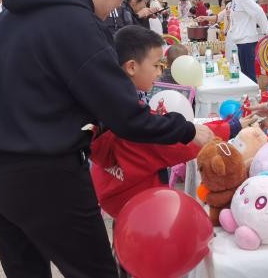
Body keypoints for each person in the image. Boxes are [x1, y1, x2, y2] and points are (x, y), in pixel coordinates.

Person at [0, 0, 214, 278]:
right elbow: (125, 116)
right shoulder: (76, 22)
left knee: (25, 270)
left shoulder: (11, 15)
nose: (117, 6)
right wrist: (187, 131)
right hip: (42, 174)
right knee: (94, 271)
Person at [90, 26, 255, 218]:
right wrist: (231, 127)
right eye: (156, 65)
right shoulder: (137, 124)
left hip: (115, 198)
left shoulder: (108, 105)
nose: (160, 72)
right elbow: (177, 143)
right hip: (145, 208)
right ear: (132, 67)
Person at [224, 0, 268, 82]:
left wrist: (266, 32)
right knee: (246, 75)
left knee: (249, 76)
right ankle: (250, 98)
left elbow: (258, 11)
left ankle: (254, 98)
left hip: (247, 42)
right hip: (241, 41)